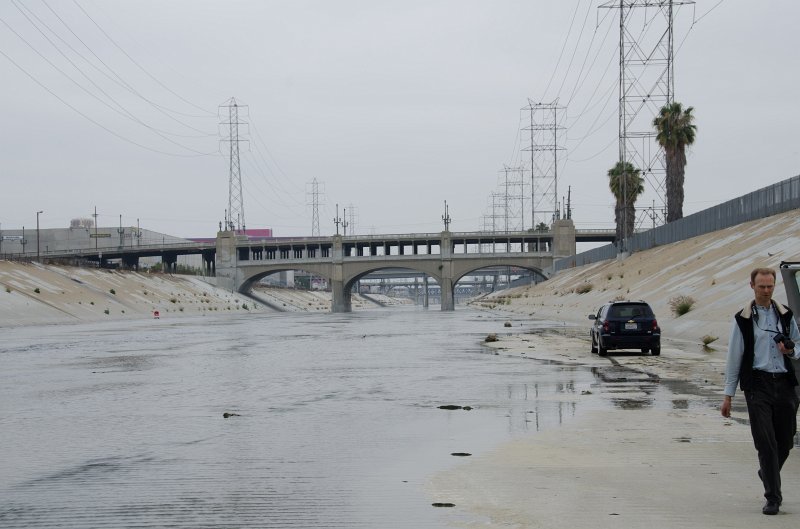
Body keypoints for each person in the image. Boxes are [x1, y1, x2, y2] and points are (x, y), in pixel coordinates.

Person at [721, 267, 800, 515]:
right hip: (757, 385)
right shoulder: (743, 319)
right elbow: (734, 357)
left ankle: (767, 471)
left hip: (785, 383)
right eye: (761, 286)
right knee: (766, 442)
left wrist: (791, 350)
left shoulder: (785, 315)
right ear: (752, 286)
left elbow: (798, 343)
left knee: (786, 441)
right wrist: (728, 395)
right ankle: (773, 497)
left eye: (770, 286)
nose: (766, 291)